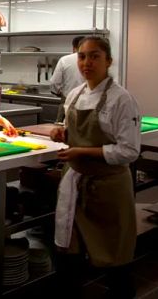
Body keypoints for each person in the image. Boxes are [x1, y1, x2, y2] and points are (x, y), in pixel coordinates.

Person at [49, 36, 141, 298]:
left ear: (108, 61)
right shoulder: (75, 95)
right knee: (70, 255)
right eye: (82, 56)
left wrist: (82, 151)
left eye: (94, 56)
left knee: (116, 259)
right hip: (76, 187)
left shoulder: (122, 99)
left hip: (108, 189)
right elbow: (74, 132)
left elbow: (129, 151)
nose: (86, 62)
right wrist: (63, 133)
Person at [50, 35, 85, 123]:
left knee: (61, 129)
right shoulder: (92, 61)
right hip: (87, 102)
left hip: (67, 101)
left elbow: (54, 83)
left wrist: (59, 93)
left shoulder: (64, 60)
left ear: (73, 48)